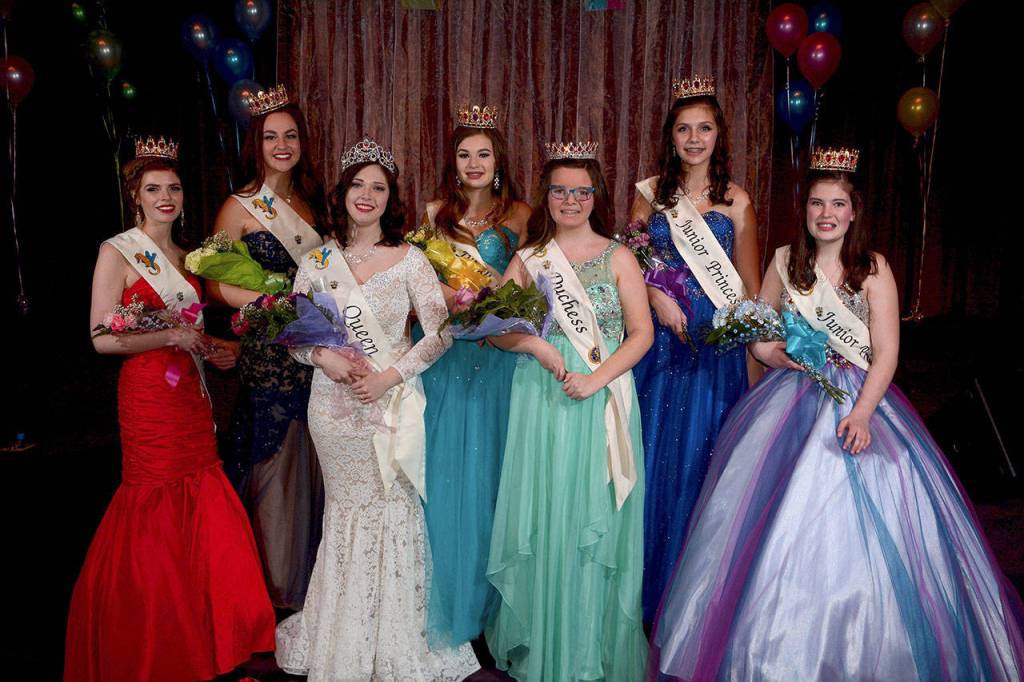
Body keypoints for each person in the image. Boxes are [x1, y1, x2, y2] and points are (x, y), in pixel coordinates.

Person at [649, 148, 1024, 681]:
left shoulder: (872, 269)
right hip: (791, 400)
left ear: (853, 212)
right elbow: (761, 341)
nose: (826, 213)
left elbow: (887, 352)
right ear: (805, 209)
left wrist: (865, 414)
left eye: (838, 204)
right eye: (818, 203)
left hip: (859, 400)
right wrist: (784, 355)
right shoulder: (783, 261)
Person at [66, 137, 275, 682]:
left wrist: (222, 351)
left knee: (203, 500)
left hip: (191, 398)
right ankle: (153, 643)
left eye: (174, 188)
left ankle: (206, 642)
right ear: (135, 196)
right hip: (149, 398)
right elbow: (99, 337)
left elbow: (196, 334)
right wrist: (168, 337)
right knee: (154, 508)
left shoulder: (188, 258)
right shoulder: (117, 251)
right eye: (153, 188)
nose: (166, 197)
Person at [275, 137, 479, 680]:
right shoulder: (317, 260)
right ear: (343, 193)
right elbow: (296, 337)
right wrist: (324, 358)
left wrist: (391, 374)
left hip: (391, 405)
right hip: (332, 408)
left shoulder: (409, 259)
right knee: (345, 514)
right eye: (359, 185)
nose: (367, 196)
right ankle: (340, 633)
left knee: (393, 509)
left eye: (379, 188)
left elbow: (440, 333)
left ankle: (395, 637)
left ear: (392, 199)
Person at [486, 142, 654, 680]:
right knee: (545, 522)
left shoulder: (619, 256)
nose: (570, 200)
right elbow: (494, 331)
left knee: (593, 527)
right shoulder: (530, 259)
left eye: (581, 190)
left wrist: (596, 379)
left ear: (595, 195)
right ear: (547, 195)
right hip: (542, 402)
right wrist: (534, 346)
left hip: (600, 404)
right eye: (559, 190)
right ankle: (548, 649)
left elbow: (641, 334)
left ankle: (587, 652)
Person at [629, 75, 760, 623]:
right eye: (684, 128)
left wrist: (755, 373)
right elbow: (628, 268)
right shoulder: (649, 193)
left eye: (704, 127)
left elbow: (750, 290)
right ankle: (645, 594)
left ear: (719, 134)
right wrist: (656, 294)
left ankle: (696, 600)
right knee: (653, 458)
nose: (694, 138)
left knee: (703, 463)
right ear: (671, 136)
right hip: (660, 342)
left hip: (715, 349)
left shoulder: (737, 200)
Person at [208, 85, 327, 610]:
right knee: (275, 461)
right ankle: (275, 589)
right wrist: (272, 301)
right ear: (256, 143)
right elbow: (213, 282)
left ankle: (314, 584)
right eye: (271, 136)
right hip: (270, 348)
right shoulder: (236, 207)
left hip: (318, 349)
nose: (282, 145)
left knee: (317, 458)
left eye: (291, 135)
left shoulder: (315, 202)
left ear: (303, 142)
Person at [417, 104, 531, 647]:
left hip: (502, 360)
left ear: (498, 160)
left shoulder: (523, 215)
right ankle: (451, 597)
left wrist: (496, 307)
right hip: (448, 360)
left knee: (497, 478)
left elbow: (533, 286)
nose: (474, 162)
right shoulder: (433, 214)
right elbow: (416, 282)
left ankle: (495, 610)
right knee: (448, 477)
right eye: (464, 154)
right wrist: (456, 299)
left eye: (483, 153)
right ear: (453, 163)